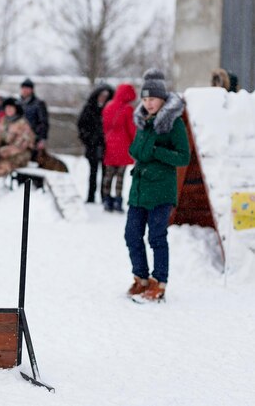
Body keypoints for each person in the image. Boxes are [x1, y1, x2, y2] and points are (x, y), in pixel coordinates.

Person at [125, 68, 190, 302]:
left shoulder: (174, 123)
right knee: (132, 235)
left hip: (161, 190)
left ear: (162, 98)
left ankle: (159, 282)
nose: (148, 103)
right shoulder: (143, 121)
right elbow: (135, 149)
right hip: (140, 188)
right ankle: (141, 278)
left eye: (151, 98)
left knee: (156, 237)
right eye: (144, 99)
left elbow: (183, 157)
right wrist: (141, 151)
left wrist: (155, 151)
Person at [101, 84, 137, 212]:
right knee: (120, 177)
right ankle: (117, 200)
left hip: (109, 146)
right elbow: (132, 129)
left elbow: (104, 126)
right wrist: (136, 142)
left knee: (108, 175)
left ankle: (106, 200)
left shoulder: (108, 106)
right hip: (123, 147)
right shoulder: (128, 109)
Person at [77, 84, 114, 203]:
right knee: (93, 172)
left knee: (105, 173)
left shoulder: (110, 109)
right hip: (92, 146)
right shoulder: (89, 108)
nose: (103, 98)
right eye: (101, 95)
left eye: (106, 96)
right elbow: (81, 125)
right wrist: (88, 139)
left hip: (106, 146)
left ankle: (104, 196)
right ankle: (91, 196)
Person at [19, 78, 49, 159]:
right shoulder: (18, 103)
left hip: (34, 139)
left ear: (32, 90)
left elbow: (44, 122)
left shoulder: (39, 104)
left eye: (27, 88)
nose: (25, 90)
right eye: (23, 88)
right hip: (19, 139)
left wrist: (42, 139)